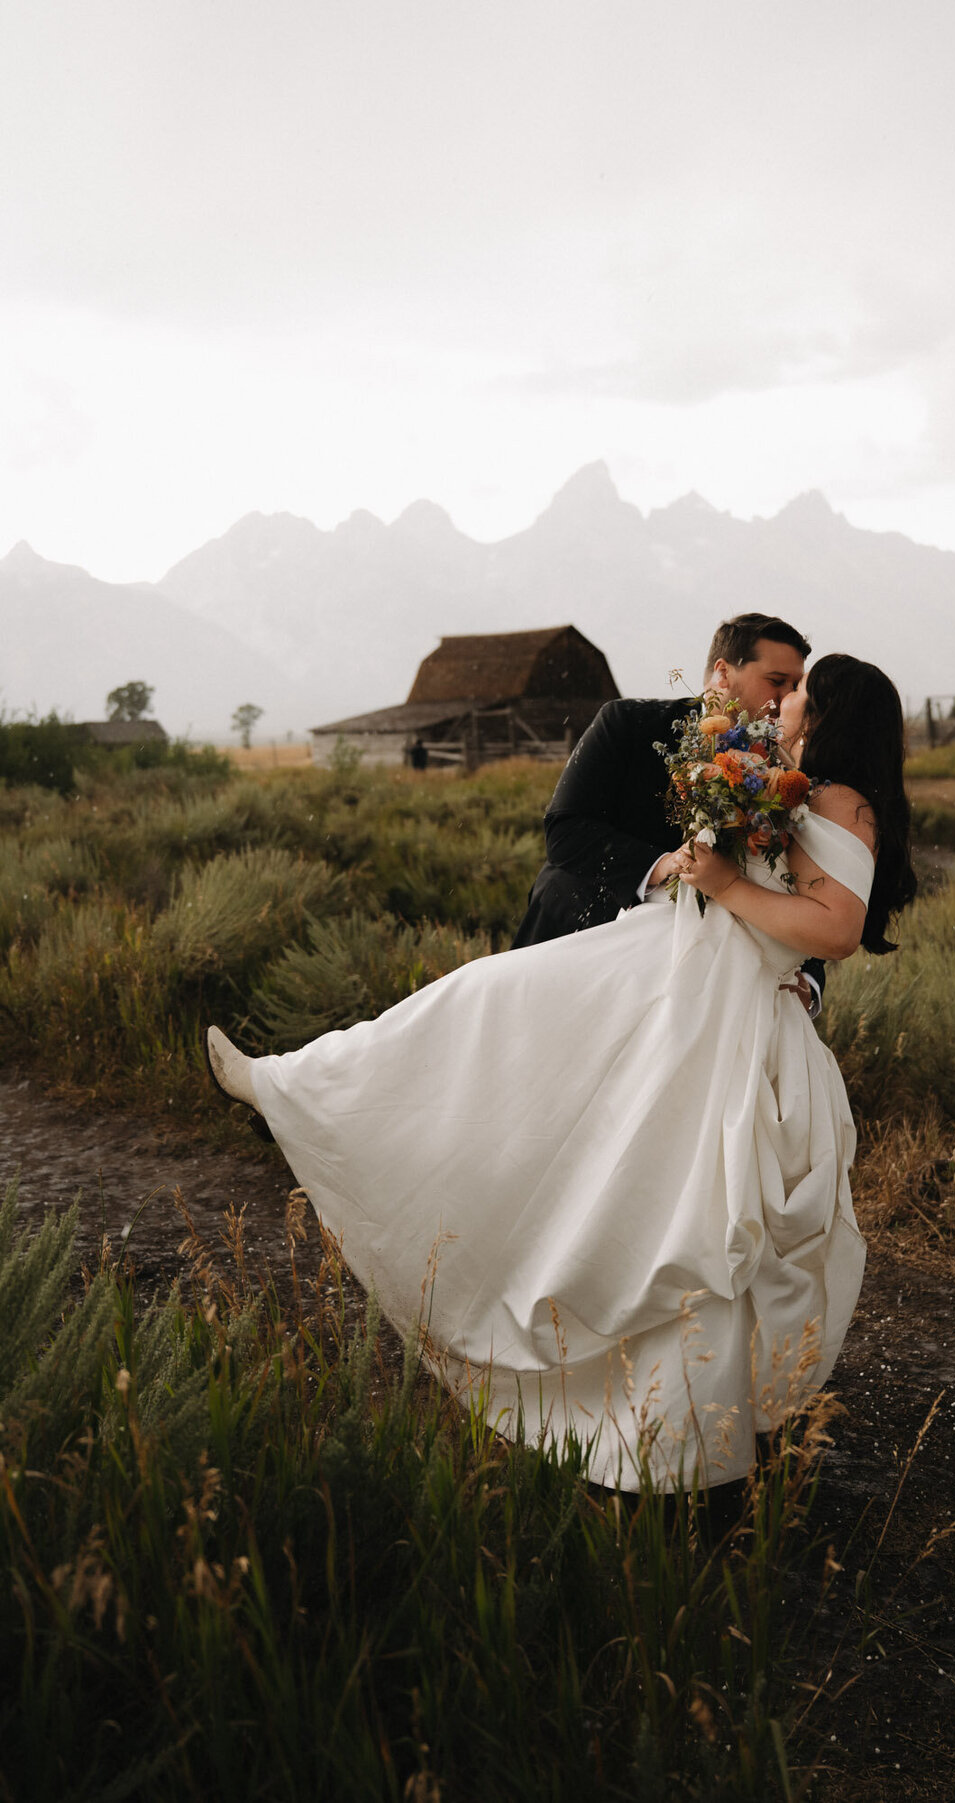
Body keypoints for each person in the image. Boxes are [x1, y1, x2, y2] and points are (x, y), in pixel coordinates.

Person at [206, 653, 916, 1493]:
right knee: (492, 1009)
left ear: (832, 712)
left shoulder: (837, 800)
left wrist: (724, 882)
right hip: (680, 975)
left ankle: (673, 1439)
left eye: (802, 690)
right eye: (785, 682)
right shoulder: (799, 784)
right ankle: (302, 1083)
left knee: (675, 1202)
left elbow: (833, 927)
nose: (787, 699)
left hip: (716, 1009)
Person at [512, 614, 825, 1014]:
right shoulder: (628, 724)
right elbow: (566, 831)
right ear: (723, 673)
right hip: (578, 952)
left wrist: (810, 978)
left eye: (795, 686)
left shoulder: (788, 771)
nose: (787, 698)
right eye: (777, 681)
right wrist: (666, 865)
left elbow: (800, 879)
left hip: (704, 994)